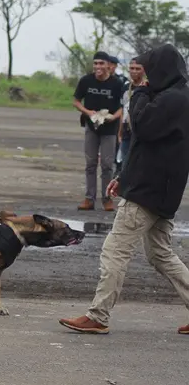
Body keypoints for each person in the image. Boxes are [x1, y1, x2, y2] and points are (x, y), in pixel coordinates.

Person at [58, 44, 189, 335]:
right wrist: (123, 177)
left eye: (149, 70)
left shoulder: (171, 100)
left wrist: (139, 92)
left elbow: (141, 128)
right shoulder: (175, 97)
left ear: (161, 71)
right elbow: (146, 145)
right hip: (159, 188)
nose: (145, 76)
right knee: (161, 254)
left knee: (114, 250)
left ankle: (98, 315)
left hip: (147, 191)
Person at [72, 51, 124, 212]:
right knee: (90, 163)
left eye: (101, 64)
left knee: (107, 165)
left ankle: (107, 198)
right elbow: (76, 101)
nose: (98, 67)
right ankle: (89, 198)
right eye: (95, 64)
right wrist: (88, 112)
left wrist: (113, 117)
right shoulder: (86, 81)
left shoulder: (117, 84)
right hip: (91, 127)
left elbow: (123, 107)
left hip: (109, 129)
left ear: (109, 65)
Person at [116, 58, 146, 175]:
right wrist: (119, 132)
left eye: (138, 69)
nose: (134, 71)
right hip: (126, 130)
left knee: (140, 164)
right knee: (125, 163)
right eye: (132, 68)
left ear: (144, 70)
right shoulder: (125, 88)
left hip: (141, 131)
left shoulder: (148, 87)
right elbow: (123, 110)